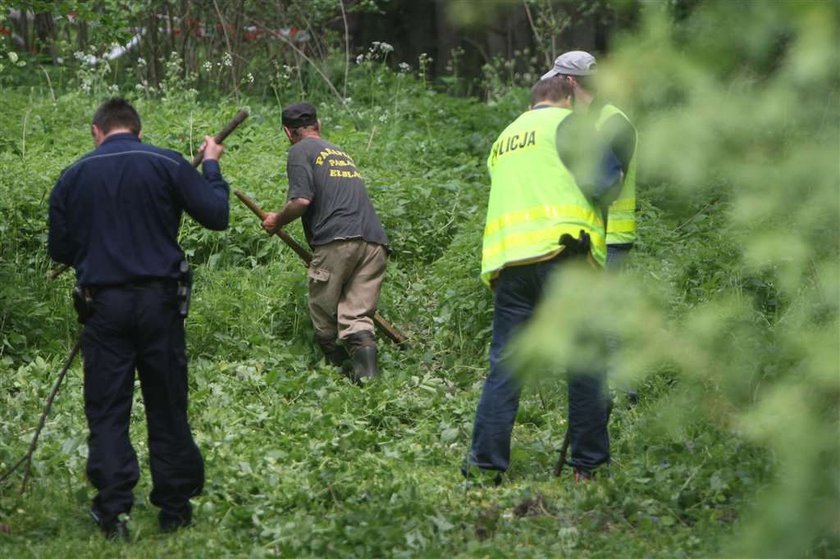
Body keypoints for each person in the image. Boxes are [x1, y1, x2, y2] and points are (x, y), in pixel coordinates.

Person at [48, 98, 229, 540]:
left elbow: (60, 251)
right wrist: (210, 166)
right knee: (167, 404)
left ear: (97, 130)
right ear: (138, 130)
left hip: (103, 307)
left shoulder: (73, 176)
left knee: (108, 409)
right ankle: (175, 509)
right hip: (160, 303)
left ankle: (113, 513)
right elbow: (217, 215)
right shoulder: (165, 163)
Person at [464, 77, 622, 483]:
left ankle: (485, 466)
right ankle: (587, 466)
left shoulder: (504, 138)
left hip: (510, 264)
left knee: (507, 366)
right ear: (567, 97)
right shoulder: (567, 125)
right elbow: (606, 183)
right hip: (563, 257)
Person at [261, 102, 389, 383]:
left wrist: (277, 220)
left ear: (288, 132)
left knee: (324, 314)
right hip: (375, 243)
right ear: (318, 126)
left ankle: (335, 374)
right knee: (357, 318)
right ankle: (370, 385)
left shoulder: (299, 150)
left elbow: (301, 201)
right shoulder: (338, 152)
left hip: (337, 242)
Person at [540, 50, 638, 269]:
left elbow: (607, 183)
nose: (553, 91)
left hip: (610, 238)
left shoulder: (614, 122)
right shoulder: (574, 121)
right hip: (580, 234)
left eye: (557, 82)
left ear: (570, 81)